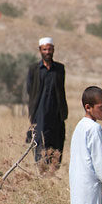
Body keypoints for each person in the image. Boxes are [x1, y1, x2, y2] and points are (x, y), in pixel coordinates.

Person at [26, 37, 68, 167]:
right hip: (39, 112)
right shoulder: (34, 69)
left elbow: (61, 89)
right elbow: (29, 89)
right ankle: (41, 168)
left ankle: (53, 170)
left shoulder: (60, 69)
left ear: (53, 50)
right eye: (45, 49)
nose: (47, 52)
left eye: (49, 49)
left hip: (56, 112)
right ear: (40, 50)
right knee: (39, 140)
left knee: (56, 140)